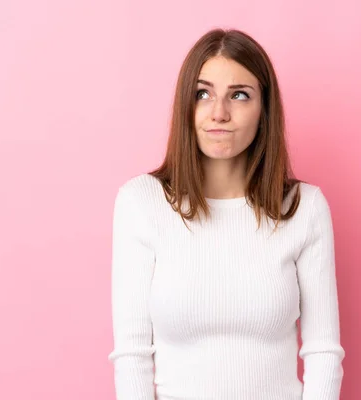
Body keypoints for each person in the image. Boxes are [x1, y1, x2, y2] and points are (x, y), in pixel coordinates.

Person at [108, 28, 345, 399]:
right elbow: (132, 355)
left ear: (264, 109)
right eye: (203, 94)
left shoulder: (304, 208)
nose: (219, 113)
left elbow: (323, 352)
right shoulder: (141, 203)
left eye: (239, 95)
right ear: (185, 105)